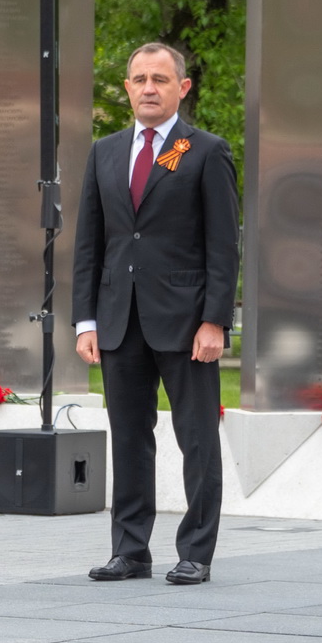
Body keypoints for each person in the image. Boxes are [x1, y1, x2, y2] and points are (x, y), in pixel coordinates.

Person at [73, 42, 241, 586]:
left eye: (160, 79)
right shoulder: (104, 152)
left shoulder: (206, 151)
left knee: (197, 439)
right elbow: (90, 242)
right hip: (119, 319)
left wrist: (215, 320)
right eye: (140, 79)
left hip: (187, 323)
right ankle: (130, 550)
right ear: (127, 88)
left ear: (182, 88)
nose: (149, 88)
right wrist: (86, 320)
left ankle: (196, 552)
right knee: (128, 437)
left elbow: (223, 245)